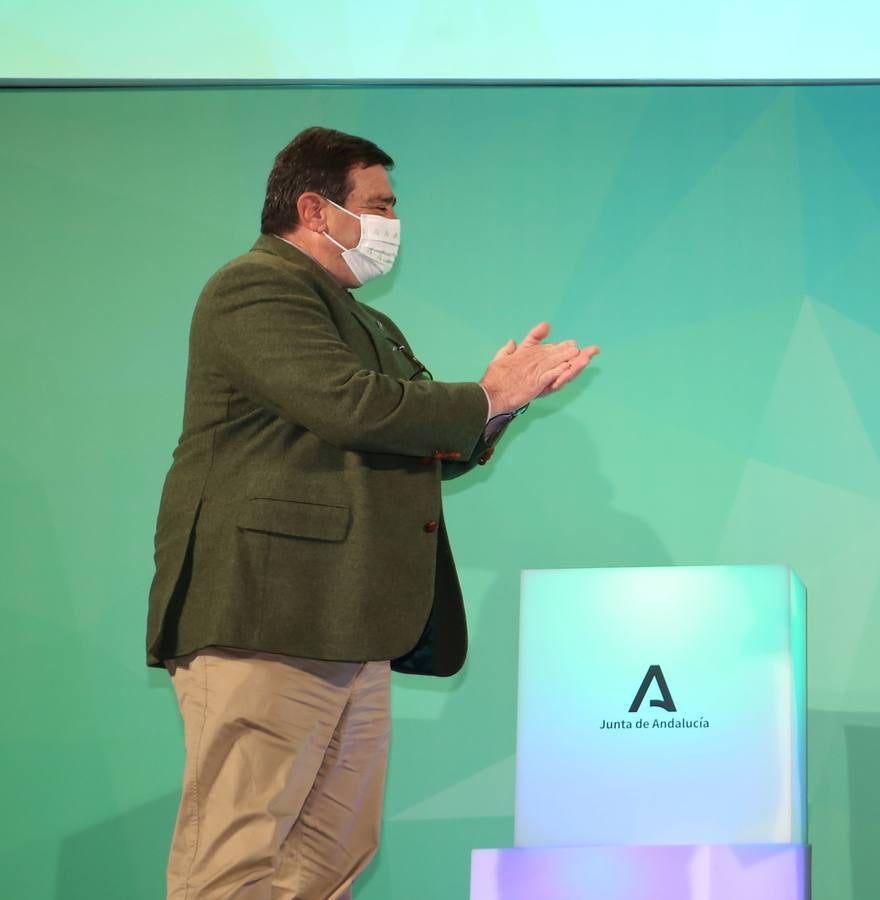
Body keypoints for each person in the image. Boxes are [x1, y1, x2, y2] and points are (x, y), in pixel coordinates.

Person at [146, 126, 598, 899]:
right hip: (269, 613)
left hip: (352, 620)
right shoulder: (255, 286)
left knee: (331, 854)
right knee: (238, 858)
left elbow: (414, 436)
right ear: (315, 208)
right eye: (379, 205)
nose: (393, 224)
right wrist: (488, 394)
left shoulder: (365, 320)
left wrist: (493, 408)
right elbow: (352, 408)